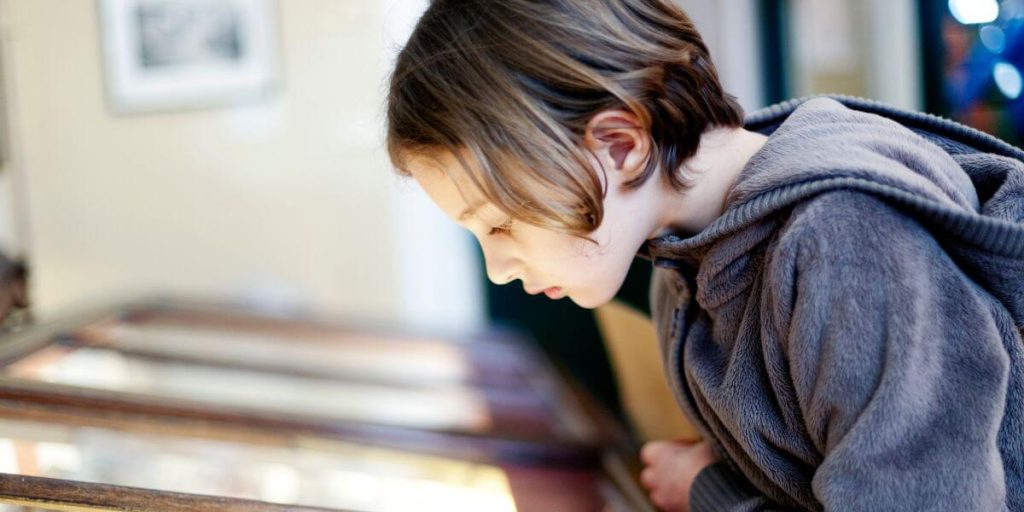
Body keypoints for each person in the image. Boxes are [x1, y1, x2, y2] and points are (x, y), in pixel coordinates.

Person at [384, 0, 1024, 510]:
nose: (499, 269)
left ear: (618, 145)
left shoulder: (848, 238)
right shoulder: (680, 271)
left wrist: (710, 493)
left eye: (499, 225)